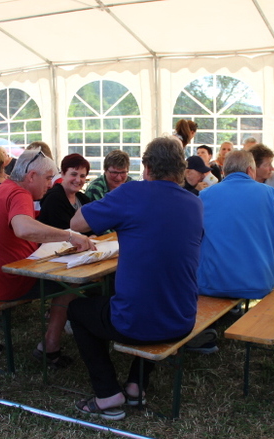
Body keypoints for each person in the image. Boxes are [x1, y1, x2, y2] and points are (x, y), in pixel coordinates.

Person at [67, 136, 203, 421]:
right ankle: (135, 384)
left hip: (137, 321)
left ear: (147, 167)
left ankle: (107, 392)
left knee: (78, 309)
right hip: (183, 318)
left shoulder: (131, 193)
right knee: (154, 292)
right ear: (181, 169)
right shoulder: (194, 203)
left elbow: (76, 223)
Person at [0, 148, 94, 367]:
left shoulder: (1, 188)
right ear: (31, 176)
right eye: (48, 178)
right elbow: (23, 228)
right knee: (70, 282)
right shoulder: (19, 193)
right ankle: (50, 347)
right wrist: (70, 236)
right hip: (8, 281)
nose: (50, 184)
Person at [198, 150, 274, 300]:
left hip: (213, 282)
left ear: (224, 171)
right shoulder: (269, 194)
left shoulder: (205, 195)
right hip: (259, 282)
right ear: (250, 170)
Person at [38, 153, 91, 230]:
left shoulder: (83, 199)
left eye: (82, 176)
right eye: (74, 174)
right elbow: (64, 230)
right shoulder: (53, 198)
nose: (78, 180)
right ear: (62, 174)